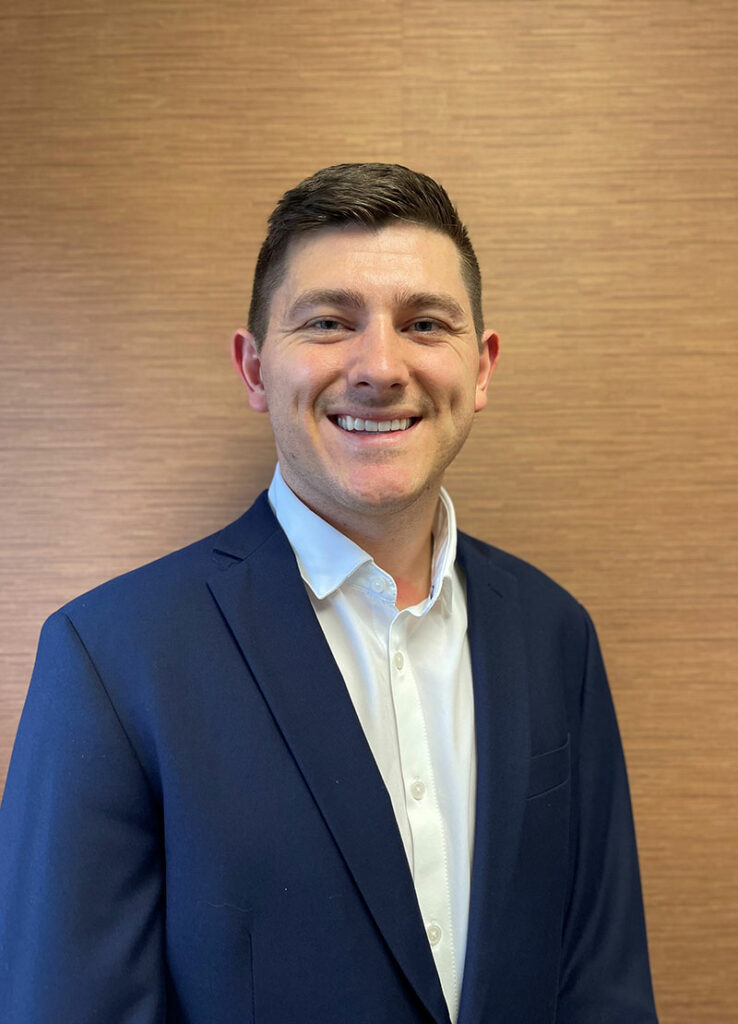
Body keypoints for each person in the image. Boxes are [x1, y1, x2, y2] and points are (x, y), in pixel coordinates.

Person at [0, 163, 659, 1023]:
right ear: (254, 369)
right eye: (327, 323)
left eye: (425, 324)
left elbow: (604, 988)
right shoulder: (112, 658)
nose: (380, 367)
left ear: (482, 367)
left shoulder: (554, 634)